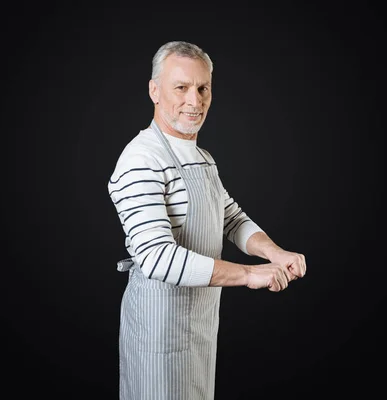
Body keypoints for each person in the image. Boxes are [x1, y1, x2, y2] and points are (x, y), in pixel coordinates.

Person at [107, 40, 307, 400]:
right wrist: (249, 274)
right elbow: (156, 257)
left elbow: (230, 218)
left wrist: (274, 253)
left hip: (198, 327)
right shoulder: (141, 159)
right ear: (154, 90)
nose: (194, 101)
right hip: (159, 334)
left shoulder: (203, 157)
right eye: (180, 88)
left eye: (203, 88)